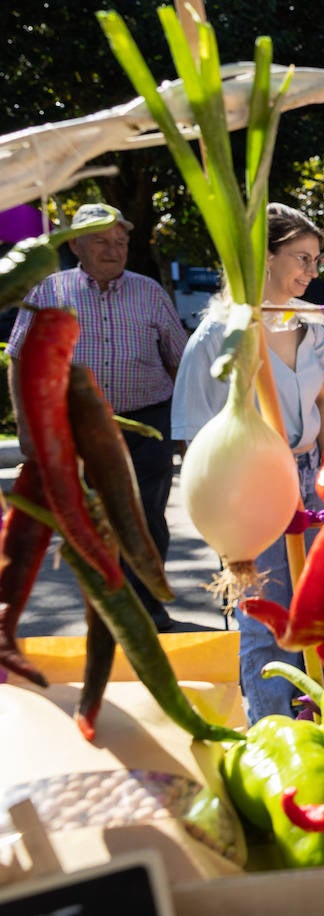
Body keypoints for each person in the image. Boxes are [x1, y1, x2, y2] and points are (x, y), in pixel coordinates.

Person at [172, 203, 324, 723]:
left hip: (310, 476)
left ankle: (313, 724)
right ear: (264, 256)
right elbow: (194, 439)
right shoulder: (217, 335)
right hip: (251, 486)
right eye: (302, 258)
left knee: (314, 612)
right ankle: (272, 730)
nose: (312, 273)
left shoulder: (311, 324)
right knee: (265, 619)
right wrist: (228, 518)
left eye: (316, 262)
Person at [10, 203, 188, 632]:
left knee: (146, 519)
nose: (113, 250)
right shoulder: (49, 293)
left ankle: (148, 610)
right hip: (78, 428)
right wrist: (26, 426)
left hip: (147, 422)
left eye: (121, 242)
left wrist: (186, 426)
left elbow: (180, 361)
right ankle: (110, 611)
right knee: (91, 524)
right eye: (101, 241)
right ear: (75, 244)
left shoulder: (149, 292)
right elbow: (21, 359)